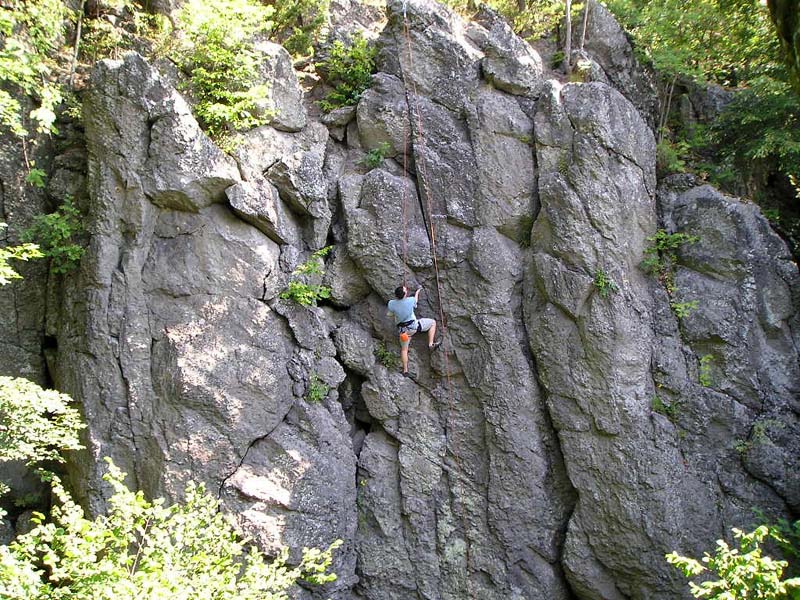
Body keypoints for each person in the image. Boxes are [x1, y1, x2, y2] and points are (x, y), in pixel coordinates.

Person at [387, 284, 441, 377]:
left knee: (404, 350)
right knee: (432, 322)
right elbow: (415, 300)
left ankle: (405, 370)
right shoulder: (410, 300)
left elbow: (390, 314)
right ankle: (430, 344)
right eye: (405, 290)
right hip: (413, 327)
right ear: (404, 294)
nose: (406, 290)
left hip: (403, 332)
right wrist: (418, 291)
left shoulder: (391, 303)